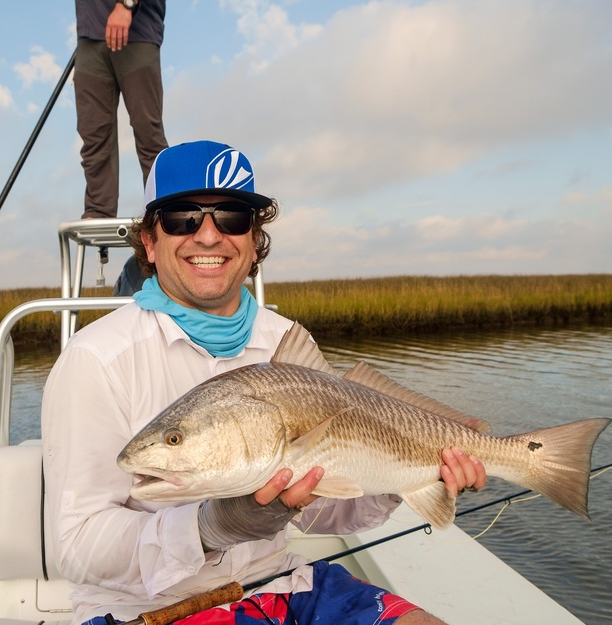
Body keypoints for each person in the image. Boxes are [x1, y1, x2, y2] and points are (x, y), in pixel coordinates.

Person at [42, 140, 487, 625]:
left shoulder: (286, 340)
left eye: (231, 217)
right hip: (150, 611)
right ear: (149, 241)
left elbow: (326, 510)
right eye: (182, 218)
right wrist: (209, 527)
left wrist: (406, 476)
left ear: (254, 241)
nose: (208, 237)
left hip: (281, 583)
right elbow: (79, 547)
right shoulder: (95, 359)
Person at [74, 0, 168, 219]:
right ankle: (99, 210)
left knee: (148, 133)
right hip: (90, 37)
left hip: (137, 31)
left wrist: (126, 5)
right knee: (94, 135)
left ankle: (163, 207)